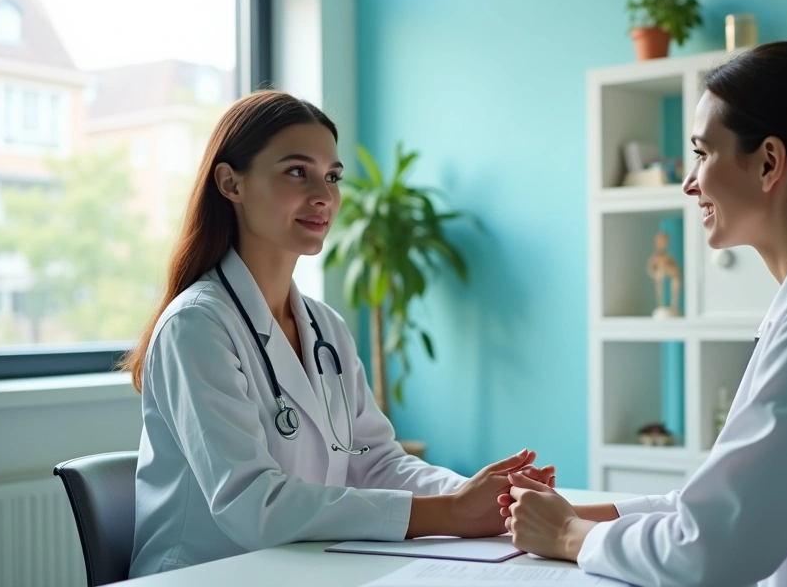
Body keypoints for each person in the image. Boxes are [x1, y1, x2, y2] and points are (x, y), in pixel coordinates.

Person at [499, 41, 787, 586]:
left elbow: (708, 555)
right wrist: (584, 518)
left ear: (769, 162)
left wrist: (567, 536)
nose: (689, 182)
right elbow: (724, 504)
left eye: (703, 154)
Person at [123, 90, 554, 578]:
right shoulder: (195, 325)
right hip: (207, 573)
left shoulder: (325, 327)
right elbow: (253, 506)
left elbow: (376, 464)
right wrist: (451, 514)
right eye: (296, 172)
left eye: (332, 176)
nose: (324, 196)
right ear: (231, 183)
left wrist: (478, 495)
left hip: (302, 567)